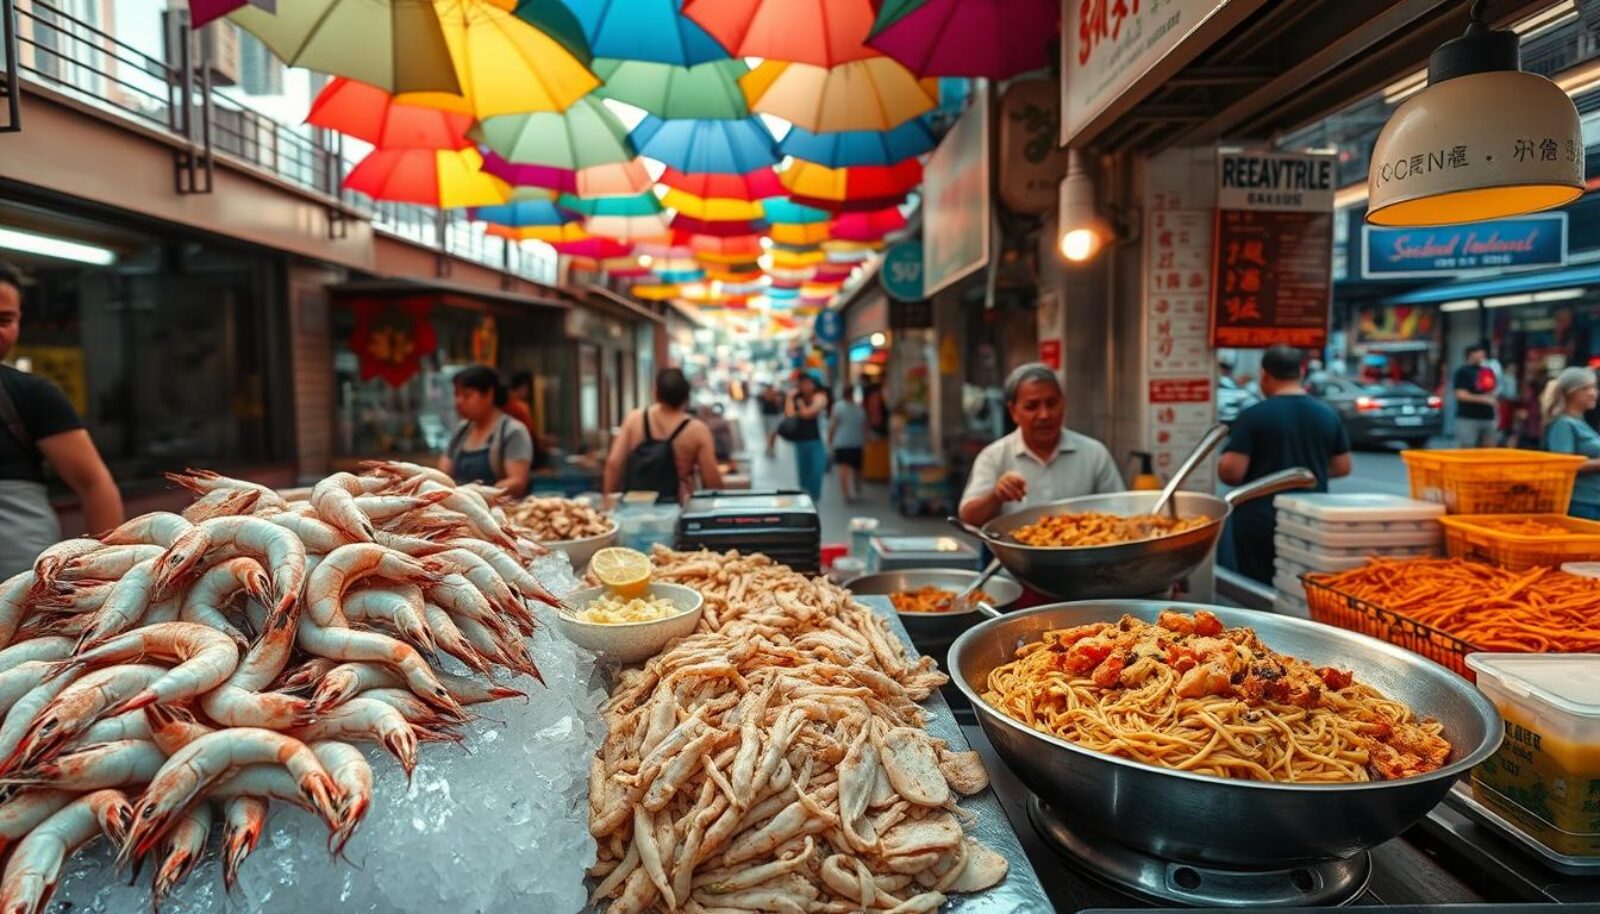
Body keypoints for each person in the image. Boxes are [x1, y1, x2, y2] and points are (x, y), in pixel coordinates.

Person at [0, 263, 123, 577]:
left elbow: (94, 484)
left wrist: (106, 572)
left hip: (24, 583)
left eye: (5, 320)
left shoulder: (32, 395)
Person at [1219, 345, 1352, 584]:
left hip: (1260, 519)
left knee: (1257, 588)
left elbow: (1232, 472)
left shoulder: (1254, 416)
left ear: (1264, 375)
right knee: (1300, 587)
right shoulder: (1326, 413)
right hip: (1309, 517)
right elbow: (1342, 467)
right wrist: (1309, 471)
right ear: (1301, 372)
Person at [959, 364, 1123, 527]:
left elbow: (1121, 511)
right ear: (1013, 411)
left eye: (1052, 404)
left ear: (1063, 403)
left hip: (1084, 544)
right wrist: (996, 496)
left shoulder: (1094, 454)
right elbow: (969, 517)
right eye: (1031, 406)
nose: (1044, 415)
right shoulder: (994, 456)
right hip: (1012, 545)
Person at [604, 368, 723, 504]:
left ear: (655, 392)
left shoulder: (634, 419)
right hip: (677, 505)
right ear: (686, 397)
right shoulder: (697, 430)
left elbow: (614, 463)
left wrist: (608, 500)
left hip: (636, 505)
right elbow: (712, 480)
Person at [439, 365, 532, 497]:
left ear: (489, 394)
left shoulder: (513, 431)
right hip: (462, 506)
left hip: (498, 508)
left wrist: (478, 495)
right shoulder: (462, 430)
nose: (459, 401)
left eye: (467, 395)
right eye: (456, 395)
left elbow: (517, 482)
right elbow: (444, 472)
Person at [1542, 367, 1600, 520]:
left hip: (1593, 502)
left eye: (1594, 387)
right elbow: (1564, 465)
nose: (1593, 393)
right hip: (1581, 503)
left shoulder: (1581, 423)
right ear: (1570, 392)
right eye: (1585, 388)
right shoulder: (1563, 424)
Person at [784, 372, 829, 503]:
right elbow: (789, 416)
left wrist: (800, 407)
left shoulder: (820, 397)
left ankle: (813, 498)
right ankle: (805, 500)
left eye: (808, 383)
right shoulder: (796, 398)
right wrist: (789, 398)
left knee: (816, 470)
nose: (805, 386)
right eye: (802, 383)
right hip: (801, 441)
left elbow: (808, 413)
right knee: (803, 473)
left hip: (817, 441)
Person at [1453, 343, 1499, 447]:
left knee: (1489, 449)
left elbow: (1492, 391)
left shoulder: (1488, 371)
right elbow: (1460, 395)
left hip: (1488, 417)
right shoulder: (1462, 372)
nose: (1482, 354)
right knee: (1468, 449)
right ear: (1471, 354)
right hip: (1468, 418)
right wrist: (1484, 399)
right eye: (1479, 352)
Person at [828, 384, 867, 503]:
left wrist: (830, 439)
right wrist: (865, 440)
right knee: (857, 468)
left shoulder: (838, 407)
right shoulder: (859, 409)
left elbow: (833, 424)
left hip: (842, 443)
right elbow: (864, 427)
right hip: (857, 442)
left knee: (843, 469)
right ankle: (858, 487)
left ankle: (846, 494)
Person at [758, 385, 785, 457]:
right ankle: (769, 447)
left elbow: (780, 403)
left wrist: (774, 397)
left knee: (774, 432)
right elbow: (760, 401)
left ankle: (771, 447)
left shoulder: (777, 394)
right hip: (766, 415)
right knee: (769, 432)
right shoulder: (763, 394)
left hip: (775, 415)